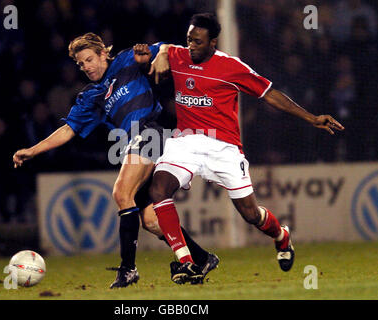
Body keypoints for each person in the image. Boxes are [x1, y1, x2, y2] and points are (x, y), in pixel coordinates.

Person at [147, 13, 345, 284]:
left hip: (224, 147)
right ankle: (187, 262)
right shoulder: (178, 55)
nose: (191, 46)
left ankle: (281, 236)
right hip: (185, 141)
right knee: (158, 190)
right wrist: (162, 51)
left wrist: (311, 118)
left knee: (251, 214)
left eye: (197, 41)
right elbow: (157, 48)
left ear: (213, 42)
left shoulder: (231, 67)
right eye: (188, 40)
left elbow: (271, 94)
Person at [12, 33, 219, 288]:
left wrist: (163, 54)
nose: (86, 67)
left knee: (122, 193)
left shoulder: (126, 60)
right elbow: (68, 130)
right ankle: (203, 258)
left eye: (89, 59)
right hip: (134, 142)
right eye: (80, 64)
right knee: (152, 221)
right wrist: (33, 150)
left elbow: (165, 48)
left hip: (151, 130)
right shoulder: (92, 96)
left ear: (102, 54)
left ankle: (128, 269)